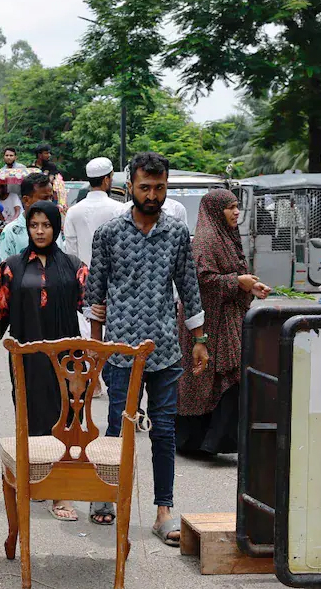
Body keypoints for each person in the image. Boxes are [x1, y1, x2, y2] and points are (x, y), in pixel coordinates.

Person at [86, 151, 208, 544]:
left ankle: (163, 512)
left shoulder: (175, 233)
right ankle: (106, 498)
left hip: (166, 350)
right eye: (145, 187)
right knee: (116, 429)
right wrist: (95, 345)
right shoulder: (108, 234)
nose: (152, 195)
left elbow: (189, 287)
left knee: (165, 432)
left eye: (159, 187)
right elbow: (95, 294)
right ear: (130, 187)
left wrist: (200, 341)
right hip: (120, 352)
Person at [0, 200, 87, 521]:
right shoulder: (12, 267)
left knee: (66, 419)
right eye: (34, 225)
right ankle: (37, 479)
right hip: (26, 357)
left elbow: (92, 307)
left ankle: (61, 493)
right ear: (27, 228)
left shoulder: (74, 266)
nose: (40, 231)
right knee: (30, 416)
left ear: (56, 228)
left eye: (46, 225)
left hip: (67, 358)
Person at [177, 190, 270, 456]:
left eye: (237, 206)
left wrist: (250, 286)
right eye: (230, 207)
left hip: (226, 319)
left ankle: (213, 442)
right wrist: (237, 282)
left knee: (228, 378)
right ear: (216, 211)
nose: (236, 212)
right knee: (207, 379)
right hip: (206, 322)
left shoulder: (226, 236)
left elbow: (236, 273)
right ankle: (196, 442)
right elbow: (202, 281)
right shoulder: (206, 240)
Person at [64, 158, 124, 265]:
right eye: (111, 178)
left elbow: (71, 252)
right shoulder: (119, 209)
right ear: (106, 180)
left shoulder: (73, 211)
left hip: (82, 277)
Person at [0, 172, 54, 262]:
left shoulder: (54, 227)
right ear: (26, 200)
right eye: (45, 198)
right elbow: (3, 272)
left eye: (51, 198)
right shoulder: (10, 232)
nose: (50, 202)